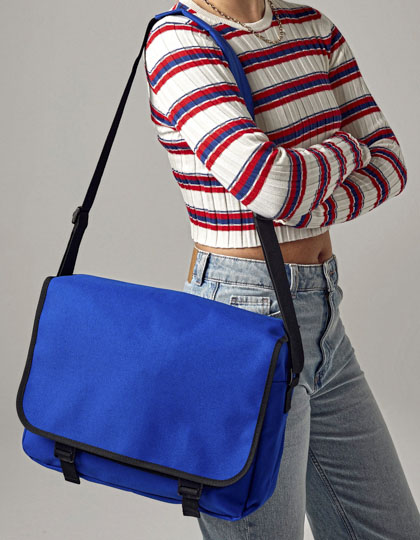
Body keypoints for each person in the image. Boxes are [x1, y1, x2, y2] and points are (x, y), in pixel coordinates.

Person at [144, 0, 420, 538]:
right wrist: (349, 147)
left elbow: (390, 163)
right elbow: (271, 186)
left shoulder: (313, 27)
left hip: (324, 316)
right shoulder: (180, 40)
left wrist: (302, 199)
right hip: (239, 319)